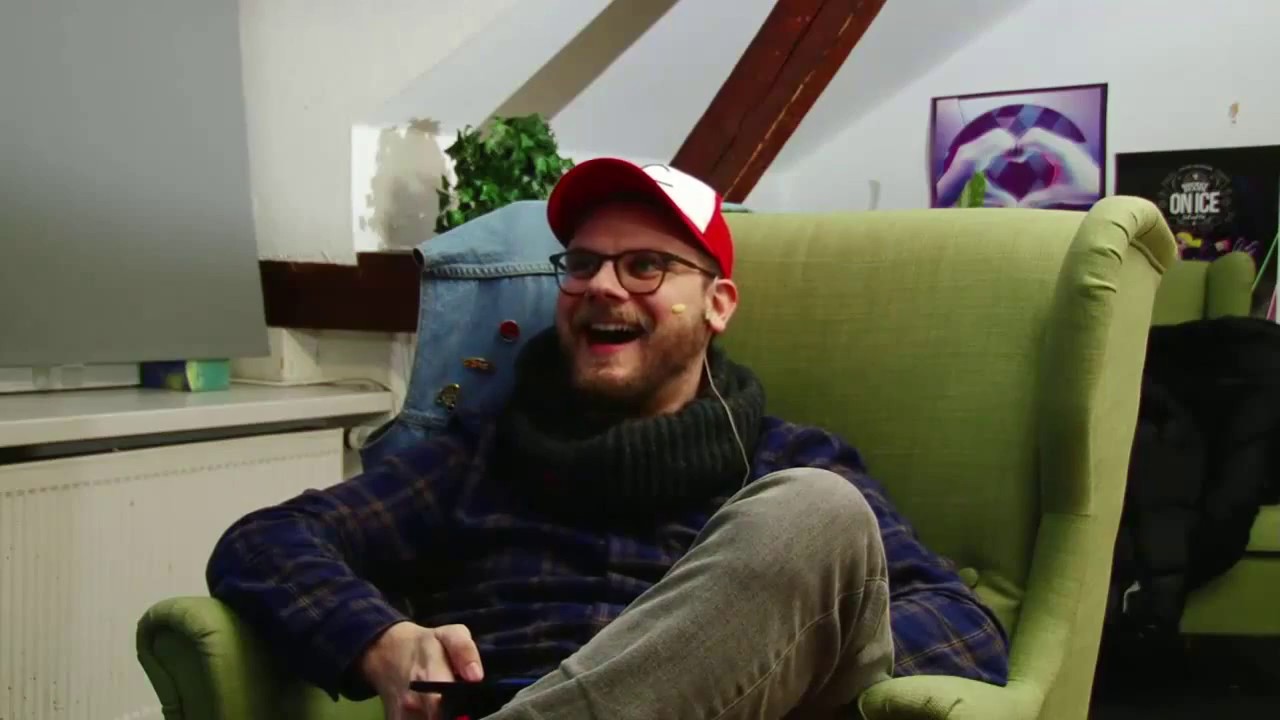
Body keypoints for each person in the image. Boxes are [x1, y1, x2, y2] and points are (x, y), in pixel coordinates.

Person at [207, 159, 1010, 720]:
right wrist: (380, 640)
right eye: (583, 263)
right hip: (504, 694)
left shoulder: (786, 461)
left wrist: (773, 652)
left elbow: (965, 629)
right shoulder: (482, 457)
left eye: (646, 266)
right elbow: (266, 542)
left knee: (815, 512)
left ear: (719, 304)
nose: (600, 285)